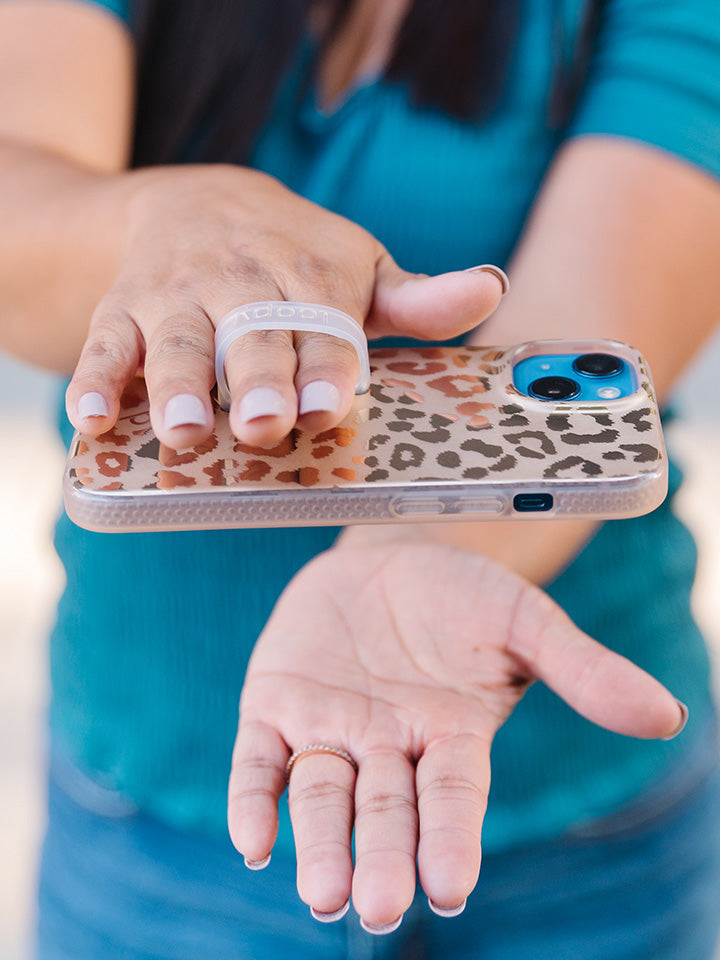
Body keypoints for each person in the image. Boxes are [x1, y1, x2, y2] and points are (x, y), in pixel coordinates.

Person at [1, 0, 719, 956]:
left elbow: (598, 320)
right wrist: (170, 219)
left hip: (578, 841)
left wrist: (414, 548)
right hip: (157, 824)